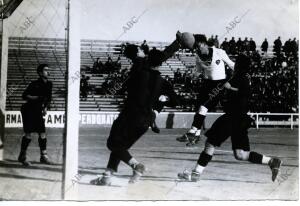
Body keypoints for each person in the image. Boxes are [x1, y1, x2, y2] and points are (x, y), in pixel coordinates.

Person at [90, 33, 183, 186]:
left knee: (113, 144)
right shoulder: (163, 82)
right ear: (160, 64)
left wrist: (139, 55)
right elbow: (176, 101)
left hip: (129, 116)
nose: (142, 51)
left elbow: (153, 57)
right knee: (121, 147)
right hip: (145, 121)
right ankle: (107, 176)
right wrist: (177, 43)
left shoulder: (138, 71)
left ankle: (137, 166)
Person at [177, 54, 282, 182]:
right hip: (241, 119)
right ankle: (272, 161)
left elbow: (244, 93)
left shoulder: (241, 77)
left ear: (240, 65)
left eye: (237, 62)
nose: (235, 64)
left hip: (232, 117)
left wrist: (229, 88)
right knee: (240, 154)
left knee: (210, 144)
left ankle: (196, 174)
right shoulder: (242, 77)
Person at [177, 34, 235, 145]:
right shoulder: (197, 55)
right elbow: (198, 70)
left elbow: (231, 64)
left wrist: (243, 71)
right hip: (206, 83)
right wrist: (194, 74)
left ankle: (192, 132)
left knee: (204, 107)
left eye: (198, 46)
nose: (197, 49)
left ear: (204, 44)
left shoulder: (219, 52)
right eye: (195, 47)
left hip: (219, 85)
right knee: (199, 108)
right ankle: (196, 136)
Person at [18, 64, 53, 166]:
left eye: (48, 70)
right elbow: (24, 96)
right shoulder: (34, 84)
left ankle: (43, 156)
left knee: (42, 133)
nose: (48, 72)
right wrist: (37, 98)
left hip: (38, 110)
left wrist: (45, 107)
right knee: (28, 134)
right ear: (40, 73)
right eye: (46, 70)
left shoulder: (49, 84)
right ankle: (22, 156)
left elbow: (49, 98)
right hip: (28, 110)